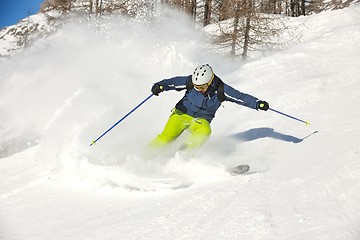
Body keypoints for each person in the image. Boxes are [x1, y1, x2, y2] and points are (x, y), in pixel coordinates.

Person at [149, 64, 269, 151]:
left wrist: (257, 103)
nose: (199, 90)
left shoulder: (221, 90)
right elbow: (173, 82)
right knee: (165, 139)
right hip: (182, 113)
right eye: (196, 87)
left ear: (211, 81)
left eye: (201, 87)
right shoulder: (191, 82)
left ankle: (183, 156)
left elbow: (241, 97)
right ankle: (143, 156)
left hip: (201, 120)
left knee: (205, 131)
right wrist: (160, 86)